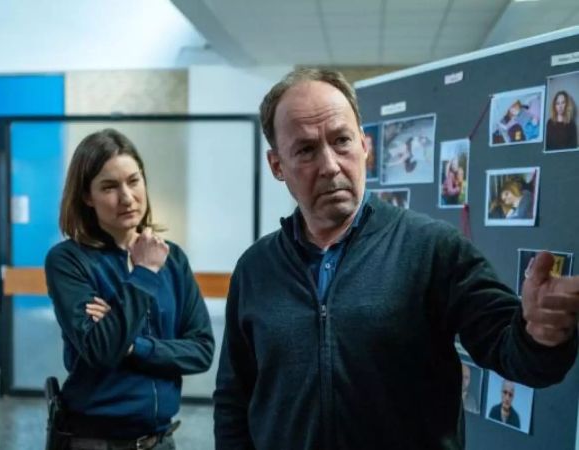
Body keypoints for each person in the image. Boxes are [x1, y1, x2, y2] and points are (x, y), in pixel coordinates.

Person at [213, 68, 579, 449]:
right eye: (305, 150)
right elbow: (234, 399)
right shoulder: (256, 269)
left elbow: (513, 352)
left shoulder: (432, 249)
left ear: (365, 146)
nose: (330, 165)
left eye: (341, 141)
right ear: (277, 166)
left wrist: (539, 335)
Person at [44, 128, 214, 450]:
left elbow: (201, 350)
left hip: (160, 441)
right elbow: (102, 349)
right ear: (86, 196)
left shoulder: (173, 258)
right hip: (93, 441)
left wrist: (134, 346)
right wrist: (146, 272)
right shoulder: (68, 261)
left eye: (133, 181)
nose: (127, 197)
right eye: (109, 187)